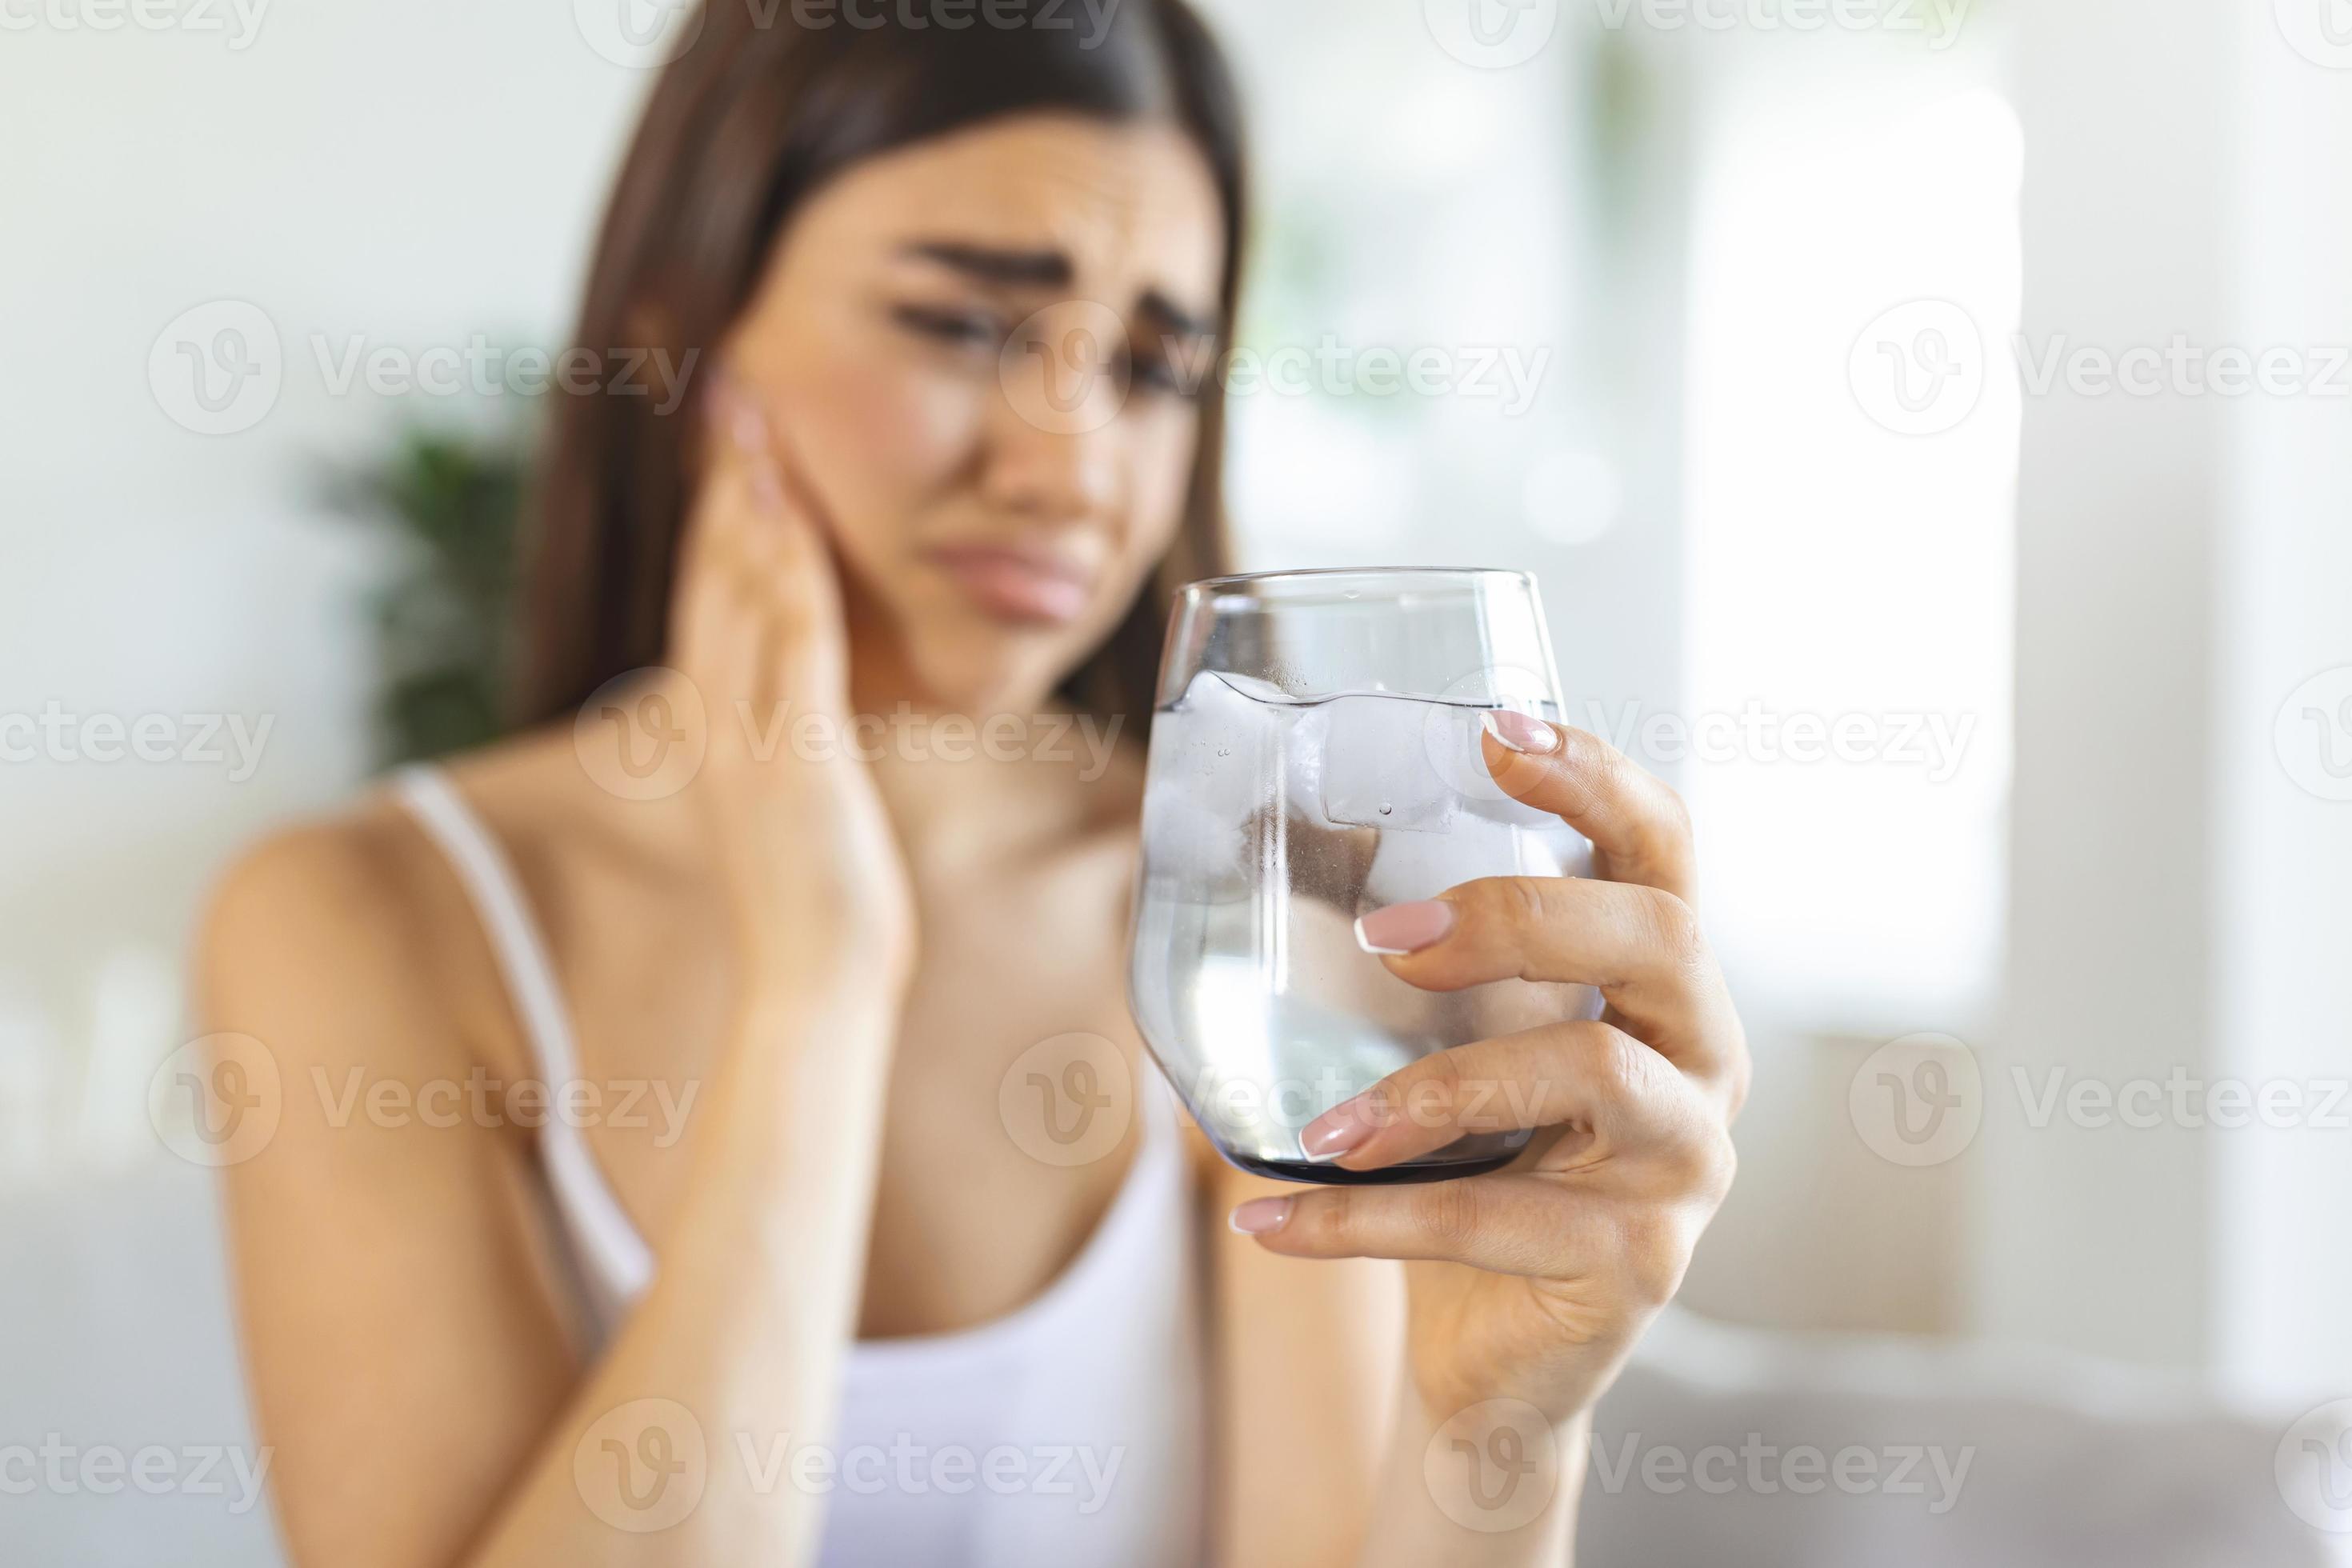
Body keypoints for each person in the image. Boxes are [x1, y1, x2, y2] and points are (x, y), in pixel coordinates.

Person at [198, 3, 1747, 1562]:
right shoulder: (364, 920)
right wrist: (819, 982)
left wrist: (1498, 1429)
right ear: (677, 338)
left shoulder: (1247, 921)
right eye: (966, 324)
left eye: (1152, 364)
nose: (1074, 465)